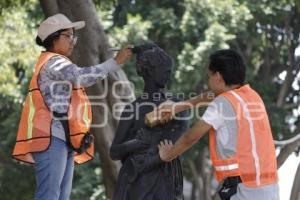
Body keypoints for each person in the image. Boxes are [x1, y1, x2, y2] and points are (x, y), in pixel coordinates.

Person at [12, 13, 132, 200]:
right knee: (49, 195)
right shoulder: (53, 61)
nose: (73, 41)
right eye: (68, 36)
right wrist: (115, 62)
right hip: (50, 138)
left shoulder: (57, 62)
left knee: (60, 196)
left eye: (73, 36)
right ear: (53, 38)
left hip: (61, 138)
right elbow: (81, 76)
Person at [156, 49, 279, 200]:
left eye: (209, 76)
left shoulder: (222, 103)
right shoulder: (252, 96)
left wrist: (168, 155)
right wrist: (180, 106)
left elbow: (190, 137)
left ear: (218, 77)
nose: (208, 81)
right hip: (269, 187)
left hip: (244, 191)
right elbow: (213, 95)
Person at [110, 43, 189, 200]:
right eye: (165, 70)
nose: (169, 74)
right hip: (133, 181)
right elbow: (114, 152)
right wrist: (136, 144)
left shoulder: (177, 106)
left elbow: (179, 143)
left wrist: (152, 158)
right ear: (150, 71)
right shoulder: (132, 108)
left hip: (164, 179)